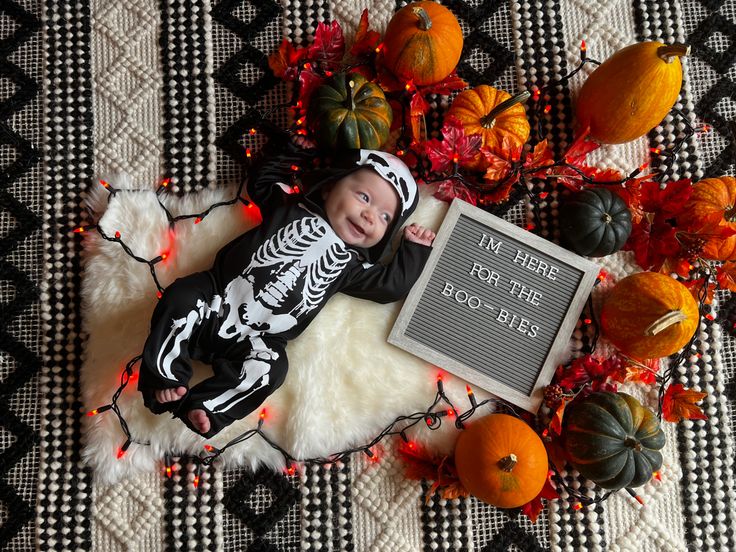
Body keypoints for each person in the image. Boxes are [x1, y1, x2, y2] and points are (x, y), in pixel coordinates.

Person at [137, 131, 436, 437]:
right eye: (364, 197)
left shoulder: (351, 265)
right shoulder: (289, 207)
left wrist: (414, 250)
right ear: (329, 186)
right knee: (181, 295)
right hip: (216, 296)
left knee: (273, 369)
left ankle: (210, 406)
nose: (370, 215)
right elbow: (261, 181)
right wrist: (290, 149)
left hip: (258, 339)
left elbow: (391, 286)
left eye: (386, 217)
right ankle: (165, 376)